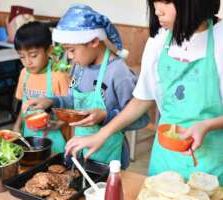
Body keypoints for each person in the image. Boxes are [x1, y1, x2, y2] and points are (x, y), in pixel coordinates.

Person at [65, 0, 223, 184]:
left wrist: (207, 125)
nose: (157, 11)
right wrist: (101, 135)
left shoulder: (220, 40)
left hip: (212, 160)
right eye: (154, 2)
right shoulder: (159, 40)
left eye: (166, 2)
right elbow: (142, 99)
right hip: (165, 156)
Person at [22, 4, 149, 165]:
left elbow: (141, 119)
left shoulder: (118, 73)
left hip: (109, 156)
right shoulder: (79, 67)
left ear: (94, 41)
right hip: (80, 150)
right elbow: (73, 101)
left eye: (72, 50)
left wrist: (105, 116)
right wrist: (52, 101)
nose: (69, 56)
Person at [13, 21, 71, 153]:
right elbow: (24, 107)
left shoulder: (60, 77)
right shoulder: (24, 74)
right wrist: (17, 126)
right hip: (28, 136)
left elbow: (72, 112)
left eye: (33, 55)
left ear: (49, 50)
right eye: (22, 57)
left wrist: (57, 125)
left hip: (56, 140)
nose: (28, 62)